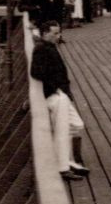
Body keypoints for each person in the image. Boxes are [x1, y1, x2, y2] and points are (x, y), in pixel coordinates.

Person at [31, 21, 87, 180]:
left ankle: (69, 160)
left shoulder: (48, 47)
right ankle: (63, 168)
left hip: (61, 94)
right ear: (44, 33)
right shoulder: (41, 49)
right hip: (55, 96)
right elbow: (36, 72)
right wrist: (55, 88)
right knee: (62, 130)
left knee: (76, 125)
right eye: (54, 33)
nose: (58, 36)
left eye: (58, 33)